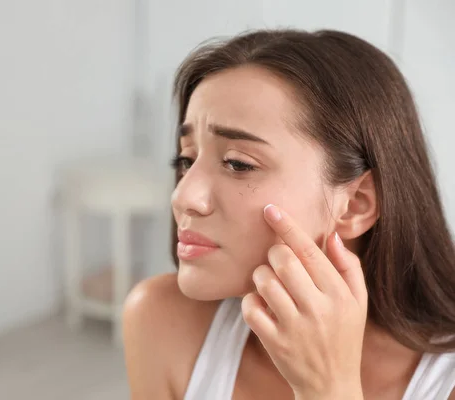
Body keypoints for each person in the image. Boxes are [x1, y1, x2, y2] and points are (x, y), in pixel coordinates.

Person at [122, 29, 455, 400]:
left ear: (356, 203)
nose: (183, 195)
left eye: (237, 163)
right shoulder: (161, 321)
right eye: (186, 159)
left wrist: (329, 389)